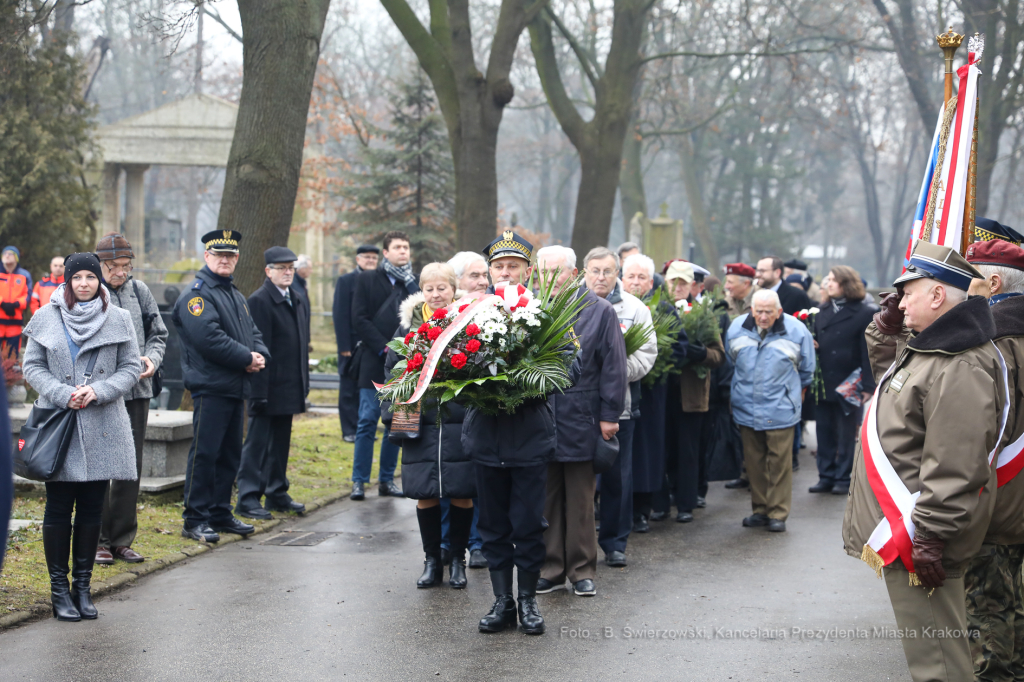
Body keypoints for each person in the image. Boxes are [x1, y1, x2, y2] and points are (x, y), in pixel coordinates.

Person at [844, 241, 1004, 682]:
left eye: (908, 292)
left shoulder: (960, 363)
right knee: (935, 654)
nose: (899, 300)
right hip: (915, 532)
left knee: (938, 663)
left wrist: (930, 535)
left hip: (922, 536)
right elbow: (894, 383)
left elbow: (956, 461)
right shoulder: (934, 350)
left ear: (937, 297)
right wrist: (889, 326)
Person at [22, 253, 142, 621]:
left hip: (104, 423)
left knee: (92, 508)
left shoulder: (118, 319)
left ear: (100, 280)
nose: (85, 283)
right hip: (61, 425)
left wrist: (100, 391)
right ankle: (59, 590)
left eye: (91, 276)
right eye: (78, 278)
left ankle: (83, 588)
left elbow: (131, 368)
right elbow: (32, 366)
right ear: (68, 281)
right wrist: (62, 393)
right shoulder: (45, 316)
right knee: (58, 508)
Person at [464, 230, 564, 635]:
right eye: (498, 266)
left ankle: (528, 602)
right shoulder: (469, 311)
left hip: (528, 436)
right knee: (492, 524)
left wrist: (524, 382)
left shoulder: (546, 314)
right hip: (486, 436)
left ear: (527, 270)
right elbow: (450, 365)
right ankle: (502, 601)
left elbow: (566, 368)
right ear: (489, 271)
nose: (505, 272)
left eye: (514, 266)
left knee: (527, 523)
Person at [536, 246, 626, 596]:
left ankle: (581, 569)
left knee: (580, 498)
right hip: (540, 416)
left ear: (573, 275)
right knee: (546, 498)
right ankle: (550, 567)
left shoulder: (598, 311)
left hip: (581, 415)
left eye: (556, 272)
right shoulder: (528, 308)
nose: (550, 280)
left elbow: (614, 367)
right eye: (543, 272)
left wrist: (608, 416)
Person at [173, 230, 270, 543]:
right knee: (205, 455)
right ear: (207, 256)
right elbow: (209, 339)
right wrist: (247, 358)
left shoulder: (234, 294)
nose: (225, 260)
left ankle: (219, 512)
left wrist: (260, 355)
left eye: (230, 256)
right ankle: (195, 519)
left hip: (234, 386)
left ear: (237, 258)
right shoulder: (197, 296)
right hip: (211, 387)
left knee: (229, 455)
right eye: (219, 255)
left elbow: (252, 332)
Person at [385, 262, 476, 589]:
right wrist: (392, 415)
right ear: (421, 291)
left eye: (442, 288)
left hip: (457, 421)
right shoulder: (407, 328)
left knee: (462, 492)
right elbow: (391, 373)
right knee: (425, 493)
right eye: (429, 289)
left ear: (453, 289)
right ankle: (431, 560)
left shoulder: (469, 322)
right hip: (419, 423)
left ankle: (457, 560)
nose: (436, 294)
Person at [964, 237, 1024, 681]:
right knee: (1013, 595)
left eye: (970, 277)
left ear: (994, 281)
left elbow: (977, 425)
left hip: (998, 489)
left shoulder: (991, 340)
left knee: (988, 600)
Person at [93, 233, 167, 566]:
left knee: (129, 466)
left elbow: (158, 333)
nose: (121, 272)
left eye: (126, 266)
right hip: (104, 394)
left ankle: (122, 539)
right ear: (100, 265)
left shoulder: (140, 291)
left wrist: (152, 358)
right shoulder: (89, 294)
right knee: (98, 465)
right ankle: (97, 539)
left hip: (138, 392)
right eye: (114, 267)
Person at [584, 247, 655, 568]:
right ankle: (579, 544)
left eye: (608, 271)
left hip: (619, 408)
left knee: (617, 479)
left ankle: (614, 542)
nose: (601, 277)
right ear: (583, 273)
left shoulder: (635, 309)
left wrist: (610, 371)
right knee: (577, 480)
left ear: (617, 275)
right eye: (595, 271)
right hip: (577, 408)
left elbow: (646, 357)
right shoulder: (571, 307)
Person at [726, 289, 814, 533]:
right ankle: (760, 509)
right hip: (746, 405)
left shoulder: (797, 331)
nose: (763, 317)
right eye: (759, 312)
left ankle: (778, 513)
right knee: (753, 462)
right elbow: (730, 360)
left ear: (779, 312)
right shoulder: (736, 328)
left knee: (779, 463)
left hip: (781, 407)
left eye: (768, 312)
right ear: (752, 311)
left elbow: (807, 369)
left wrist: (792, 392)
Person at [235, 246, 310, 520]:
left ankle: (277, 493)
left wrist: (304, 383)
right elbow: (258, 346)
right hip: (267, 387)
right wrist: (258, 392)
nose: (287, 272)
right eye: (281, 268)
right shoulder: (260, 301)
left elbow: (301, 347)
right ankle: (247, 497)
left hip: (289, 386)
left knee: (280, 444)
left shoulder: (297, 299)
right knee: (257, 445)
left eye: (291, 267)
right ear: (268, 271)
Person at [350, 231, 417, 500]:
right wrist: (385, 346)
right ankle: (359, 481)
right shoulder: (367, 279)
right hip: (373, 360)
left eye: (406, 246)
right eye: (397, 247)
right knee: (367, 421)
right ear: (386, 253)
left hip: (403, 365)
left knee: (398, 424)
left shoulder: (414, 284)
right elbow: (359, 318)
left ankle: (387, 479)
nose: (403, 251)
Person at [666, 260, 725, 523]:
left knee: (688, 450)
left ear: (691, 286)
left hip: (691, 394)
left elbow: (718, 355)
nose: (677, 288)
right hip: (662, 392)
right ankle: (662, 500)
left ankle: (686, 502)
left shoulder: (703, 313)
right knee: (664, 449)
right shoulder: (657, 310)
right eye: (672, 282)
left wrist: (699, 353)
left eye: (682, 283)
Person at [809, 265, 874, 497]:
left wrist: (868, 385)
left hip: (849, 382)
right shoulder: (820, 310)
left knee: (846, 434)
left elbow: (868, 352)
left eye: (832, 280)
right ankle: (825, 475)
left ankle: (842, 477)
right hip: (823, 380)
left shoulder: (865, 312)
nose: (828, 283)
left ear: (846, 283)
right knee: (823, 430)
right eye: (827, 279)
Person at [333, 245, 380, 443]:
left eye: (373, 258)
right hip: (351, 343)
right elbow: (340, 313)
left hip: (371, 344)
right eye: (366, 257)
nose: (370, 261)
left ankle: (364, 425)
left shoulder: (380, 281)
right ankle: (348, 429)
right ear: (357, 259)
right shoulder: (346, 281)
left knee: (367, 387)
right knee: (348, 388)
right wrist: (343, 345)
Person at [0, 245, 31, 359]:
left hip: (15, 321)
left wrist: (16, 304)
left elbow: (27, 295)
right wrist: (2, 303)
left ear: (16, 257)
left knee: (11, 357)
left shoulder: (24, 275)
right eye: (5, 253)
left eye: (10, 253)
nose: (7, 256)